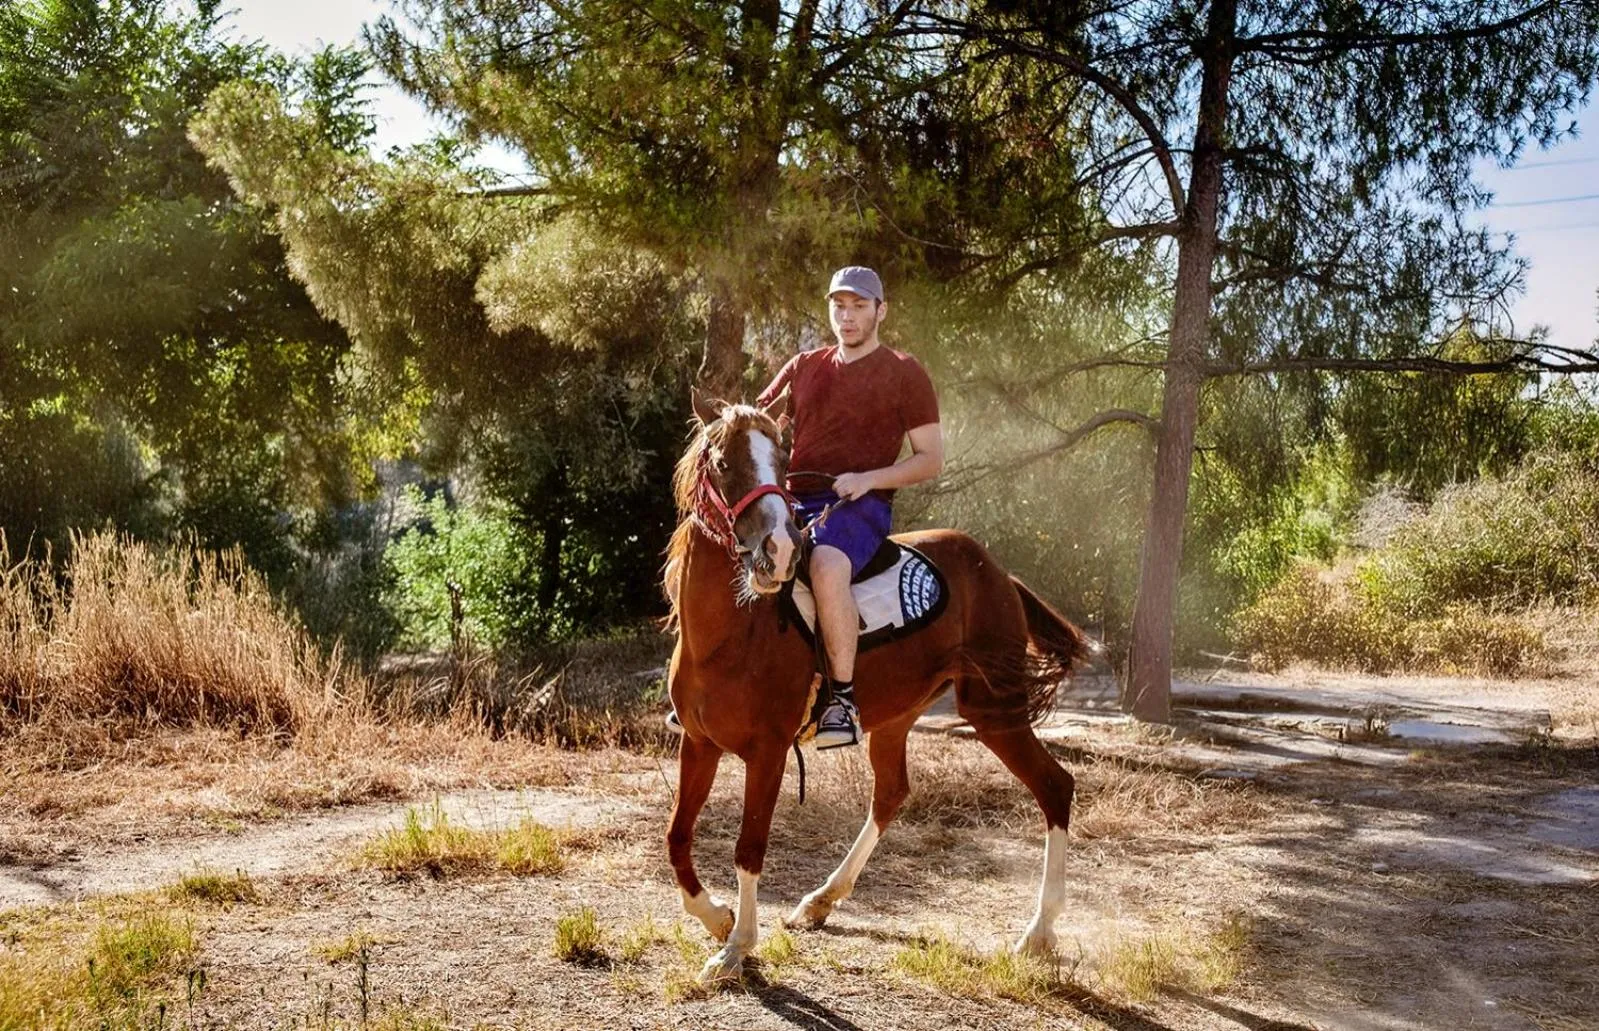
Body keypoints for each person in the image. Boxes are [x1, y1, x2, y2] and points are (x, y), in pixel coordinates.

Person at [668, 266, 942, 747]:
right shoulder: (804, 366)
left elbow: (931, 460)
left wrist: (868, 480)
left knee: (826, 566)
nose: (847, 317)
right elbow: (756, 422)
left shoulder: (905, 373)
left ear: (881, 311)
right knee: (707, 554)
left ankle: (842, 700)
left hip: (859, 503)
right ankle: (701, 686)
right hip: (793, 498)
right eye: (839, 306)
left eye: (859, 306)